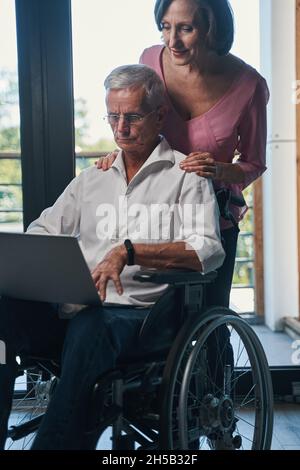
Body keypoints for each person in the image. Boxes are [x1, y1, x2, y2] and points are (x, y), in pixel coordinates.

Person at [0, 64, 225, 450]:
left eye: (133, 117)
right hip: (75, 311)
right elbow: (43, 231)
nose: (120, 127)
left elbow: (207, 250)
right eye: (113, 116)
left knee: (92, 324)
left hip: (142, 320)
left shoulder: (186, 176)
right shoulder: (92, 178)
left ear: (159, 116)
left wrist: (130, 252)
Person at [97, 0, 269, 308]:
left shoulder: (249, 85)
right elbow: (139, 121)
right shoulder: (150, 60)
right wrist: (121, 154)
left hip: (211, 221)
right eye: (165, 27)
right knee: (151, 317)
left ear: (212, 28)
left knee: (210, 319)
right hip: (153, 214)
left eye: (185, 29)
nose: (172, 41)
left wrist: (217, 170)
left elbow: (254, 163)